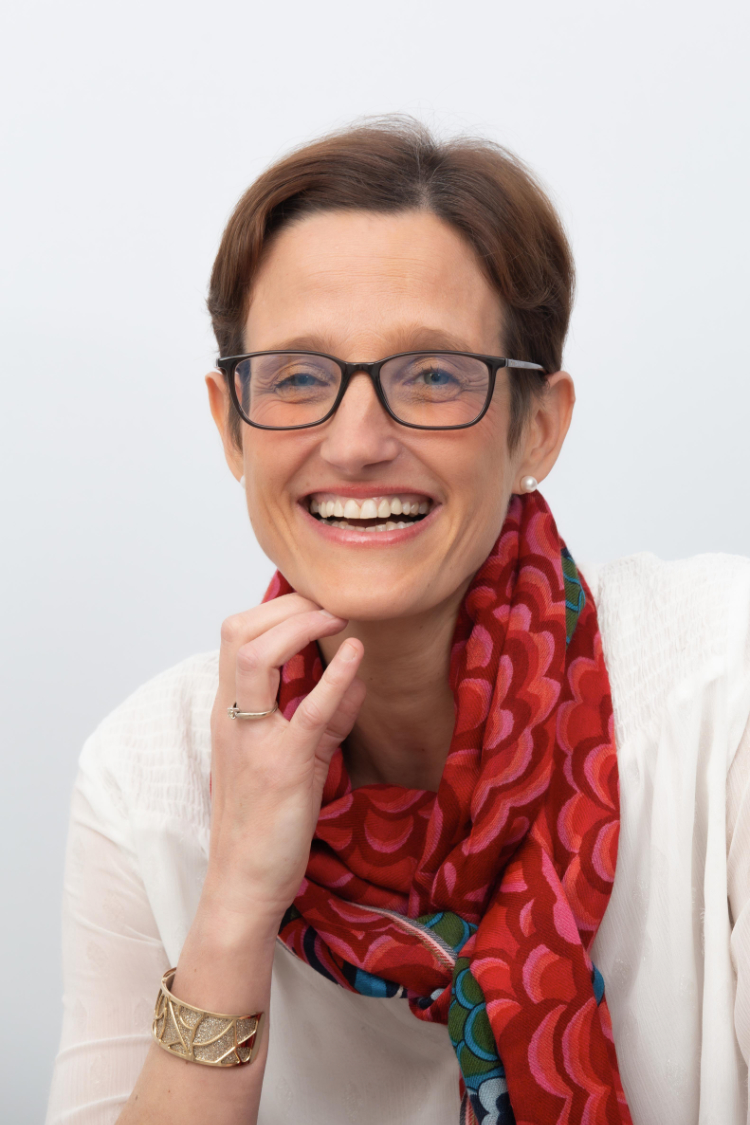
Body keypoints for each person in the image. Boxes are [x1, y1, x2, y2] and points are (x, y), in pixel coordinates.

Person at [45, 118, 750, 1125]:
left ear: (537, 427)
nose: (359, 440)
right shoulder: (142, 778)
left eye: (431, 376)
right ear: (229, 425)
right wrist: (236, 902)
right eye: (296, 377)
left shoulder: (724, 684)